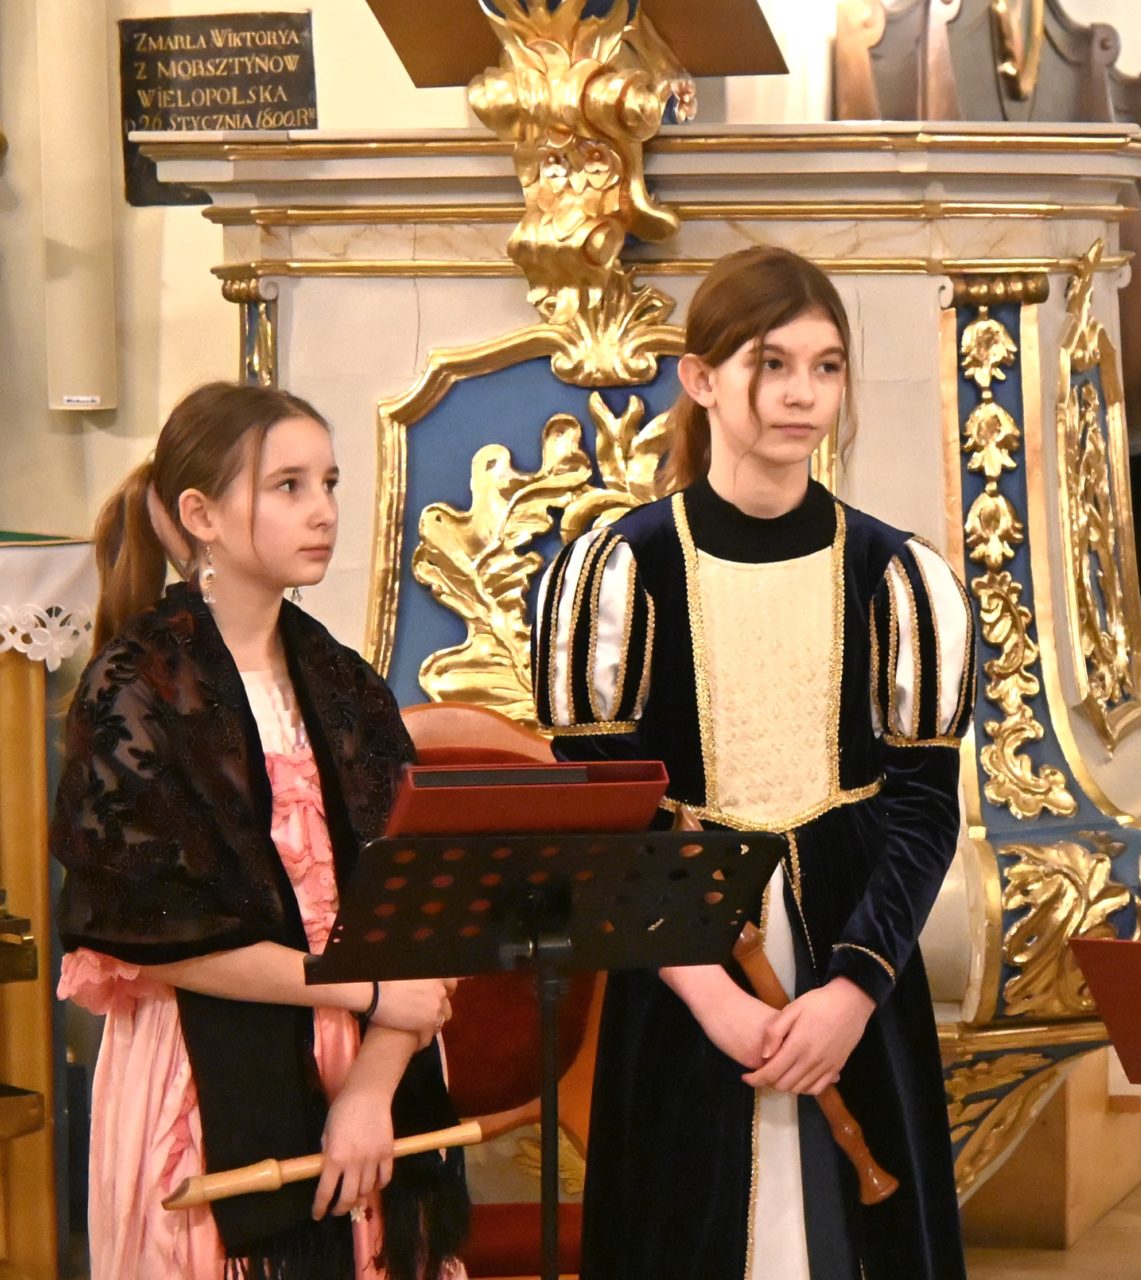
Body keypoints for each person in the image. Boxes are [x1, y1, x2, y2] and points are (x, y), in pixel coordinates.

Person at [531, 246, 974, 1278]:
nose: (802, 394)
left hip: (854, 955)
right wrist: (712, 994)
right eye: (771, 365)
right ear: (700, 378)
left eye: (826, 367)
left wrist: (853, 990)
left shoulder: (898, 576)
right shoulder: (619, 571)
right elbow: (607, 814)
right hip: (685, 965)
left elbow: (923, 813)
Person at [52, 383, 469, 1279]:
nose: (323, 511)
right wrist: (363, 993)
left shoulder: (346, 684)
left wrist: (371, 1088)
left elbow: (422, 908)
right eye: (288, 486)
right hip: (205, 1069)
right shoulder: (133, 690)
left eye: (329, 482)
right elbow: (155, 936)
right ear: (200, 514)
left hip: (372, 1050)